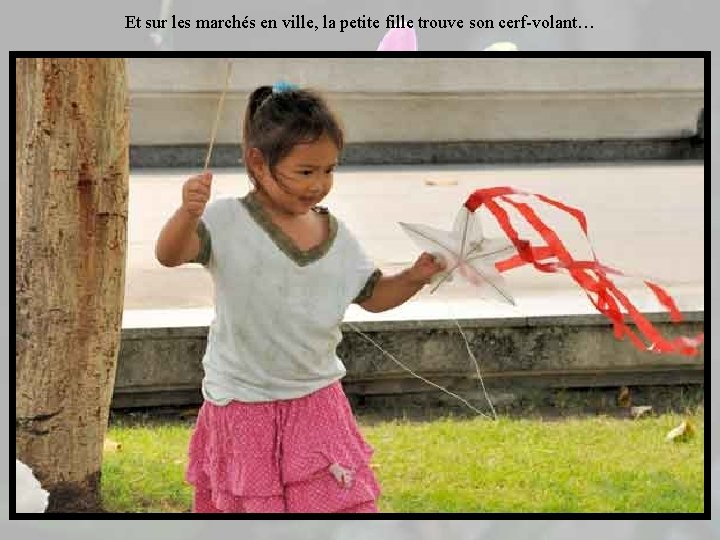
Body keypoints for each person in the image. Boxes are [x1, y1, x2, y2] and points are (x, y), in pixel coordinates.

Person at [155, 82, 446, 513]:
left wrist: (416, 276)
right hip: (243, 403)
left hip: (316, 399)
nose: (319, 185)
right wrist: (186, 214)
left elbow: (374, 296)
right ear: (258, 161)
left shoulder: (336, 234)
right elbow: (169, 254)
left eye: (329, 170)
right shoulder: (226, 221)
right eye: (305, 172)